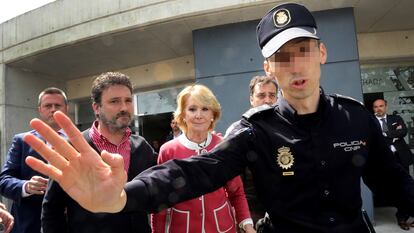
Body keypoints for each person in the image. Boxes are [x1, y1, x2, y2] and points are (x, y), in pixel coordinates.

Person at [23, 3, 414, 233]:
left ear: (323, 53)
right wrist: (126, 195)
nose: (295, 63)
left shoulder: (356, 118)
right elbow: (197, 170)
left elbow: (391, 180)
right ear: (268, 66)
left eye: (303, 49)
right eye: (281, 55)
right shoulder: (255, 129)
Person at [41, 72, 157, 233]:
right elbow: (52, 209)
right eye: (114, 101)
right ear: (96, 107)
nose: (124, 107)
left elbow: (155, 194)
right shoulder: (73, 149)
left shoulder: (142, 147)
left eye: (128, 100)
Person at [151, 84, 255, 233]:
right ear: (183, 115)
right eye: (192, 109)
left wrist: (247, 224)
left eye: (205, 109)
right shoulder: (168, 151)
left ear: (213, 114)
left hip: (223, 228)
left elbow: (236, 192)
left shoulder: (225, 147)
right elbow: (160, 200)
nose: (198, 115)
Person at [0, 87, 68, 233]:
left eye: (58, 106)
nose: (53, 109)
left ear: (66, 109)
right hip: (28, 225)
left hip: (68, 224)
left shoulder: (81, 141)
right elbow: (4, 180)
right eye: (48, 106)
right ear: (40, 109)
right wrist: (26, 186)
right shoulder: (22, 140)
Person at [224, 76, 278, 224]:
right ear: (251, 99)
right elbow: (232, 185)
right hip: (252, 216)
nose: (267, 100)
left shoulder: (289, 129)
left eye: (272, 95)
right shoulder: (238, 132)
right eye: (261, 95)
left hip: (285, 216)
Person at [372, 98, 414, 230]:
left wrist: (385, 134)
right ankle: (402, 215)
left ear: (386, 106)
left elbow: (403, 132)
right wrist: (393, 135)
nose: (379, 109)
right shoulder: (371, 122)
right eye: (376, 107)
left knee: (407, 187)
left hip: (401, 158)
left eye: (381, 106)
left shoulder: (395, 118)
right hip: (385, 161)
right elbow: (374, 138)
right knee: (395, 189)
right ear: (373, 109)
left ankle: (403, 216)